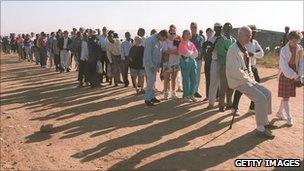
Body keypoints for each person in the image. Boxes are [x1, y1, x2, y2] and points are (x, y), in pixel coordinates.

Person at [226, 26, 274, 139]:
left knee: (267, 93)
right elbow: (235, 71)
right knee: (260, 98)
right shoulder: (233, 50)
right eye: (247, 35)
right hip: (238, 81)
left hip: (247, 79)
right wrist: (250, 80)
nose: (249, 37)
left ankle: (264, 122)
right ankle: (260, 128)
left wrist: (252, 80)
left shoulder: (243, 48)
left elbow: (248, 68)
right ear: (239, 35)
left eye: (250, 35)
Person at [231, 25, 265, 115]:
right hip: (243, 67)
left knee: (257, 87)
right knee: (241, 88)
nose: (253, 34)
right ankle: (234, 107)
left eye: (254, 33)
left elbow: (261, 53)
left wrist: (253, 54)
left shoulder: (255, 43)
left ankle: (252, 107)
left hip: (253, 67)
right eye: (252, 32)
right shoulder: (242, 42)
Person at [276, 31, 303, 126]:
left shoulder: (300, 49)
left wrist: (300, 75)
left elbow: (301, 63)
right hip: (285, 74)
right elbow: (284, 66)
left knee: (286, 96)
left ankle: (279, 113)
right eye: (293, 41)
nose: (295, 43)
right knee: (286, 98)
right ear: (289, 39)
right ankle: (289, 117)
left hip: (295, 73)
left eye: (297, 41)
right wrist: (295, 76)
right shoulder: (283, 50)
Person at [143, 30, 168, 106]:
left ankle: (152, 97)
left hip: (155, 65)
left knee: (153, 81)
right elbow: (147, 54)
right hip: (149, 64)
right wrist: (151, 66)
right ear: (161, 35)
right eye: (163, 39)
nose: (163, 41)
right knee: (150, 81)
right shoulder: (150, 40)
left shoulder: (159, 42)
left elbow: (159, 55)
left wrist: (158, 66)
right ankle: (147, 99)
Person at [216, 22, 236, 112]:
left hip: (232, 66)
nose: (228, 30)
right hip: (223, 65)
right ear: (223, 29)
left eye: (229, 28)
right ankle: (221, 104)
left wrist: (229, 52)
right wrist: (230, 53)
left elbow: (236, 51)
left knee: (231, 85)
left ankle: (229, 103)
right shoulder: (220, 40)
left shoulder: (233, 40)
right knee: (223, 86)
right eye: (226, 28)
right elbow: (221, 52)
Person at [178, 29, 198, 102]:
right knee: (186, 80)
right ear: (183, 35)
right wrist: (191, 53)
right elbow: (187, 53)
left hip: (192, 63)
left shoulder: (191, 43)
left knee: (194, 79)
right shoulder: (181, 44)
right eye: (186, 34)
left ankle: (191, 94)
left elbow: (196, 53)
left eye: (189, 34)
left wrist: (191, 53)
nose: (187, 35)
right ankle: (186, 95)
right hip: (185, 63)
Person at [162, 27, 181, 99]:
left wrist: (171, 51)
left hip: (176, 62)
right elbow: (166, 51)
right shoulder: (165, 41)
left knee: (174, 78)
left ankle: (173, 93)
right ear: (168, 33)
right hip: (167, 62)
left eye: (174, 33)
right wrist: (174, 51)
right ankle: (166, 93)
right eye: (171, 33)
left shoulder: (178, 41)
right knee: (166, 78)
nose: (173, 34)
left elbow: (179, 51)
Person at [207, 23, 222, 109]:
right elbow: (209, 51)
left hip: (223, 63)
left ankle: (222, 102)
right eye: (216, 28)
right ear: (214, 29)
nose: (218, 29)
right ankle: (211, 103)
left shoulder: (224, 39)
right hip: (215, 61)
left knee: (222, 84)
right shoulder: (212, 39)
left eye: (220, 28)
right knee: (213, 82)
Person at [190, 22, 205, 98]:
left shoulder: (201, 38)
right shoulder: (188, 38)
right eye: (192, 27)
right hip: (190, 60)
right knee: (190, 76)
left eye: (195, 27)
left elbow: (203, 48)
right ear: (190, 28)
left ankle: (195, 91)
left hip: (199, 60)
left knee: (197, 76)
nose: (194, 29)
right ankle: (190, 92)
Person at [202, 27, 215, 101]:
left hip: (214, 62)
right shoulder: (205, 43)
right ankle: (207, 96)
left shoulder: (215, 42)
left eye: (211, 32)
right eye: (208, 32)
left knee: (215, 80)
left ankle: (216, 96)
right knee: (208, 79)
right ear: (206, 34)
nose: (209, 33)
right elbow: (204, 53)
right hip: (207, 63)